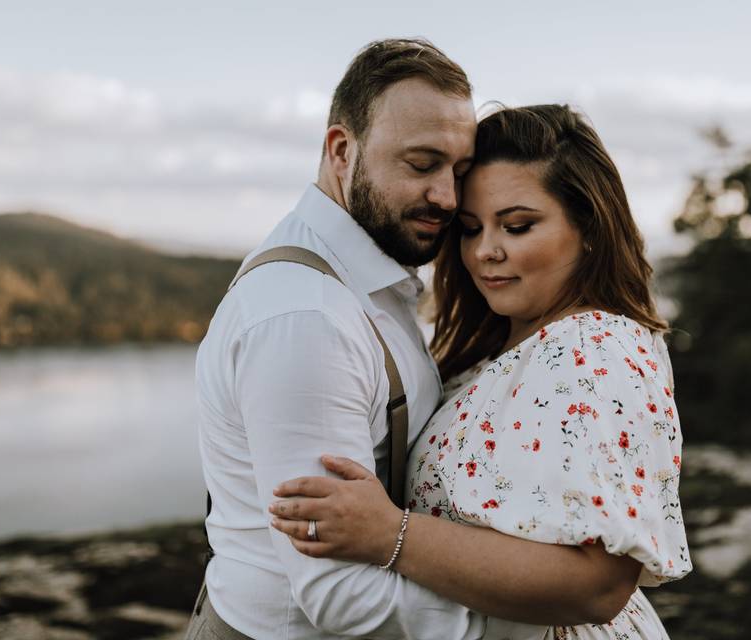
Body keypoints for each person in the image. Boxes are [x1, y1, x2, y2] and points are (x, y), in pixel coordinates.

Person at [269, 104, 692, 639]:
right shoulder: (507, 348)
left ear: (588, 227)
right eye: (470, 229)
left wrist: (388, 534)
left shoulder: (592, 348)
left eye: (518, 226)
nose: (486, 252)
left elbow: (599, 585)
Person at [187, 38, 519, 639]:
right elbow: (338, 591)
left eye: (459, 171)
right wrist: (530, 618)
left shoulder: (365, 280)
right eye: (421, 165)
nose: (446, 196)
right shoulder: (307, 318)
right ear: (343, 151)